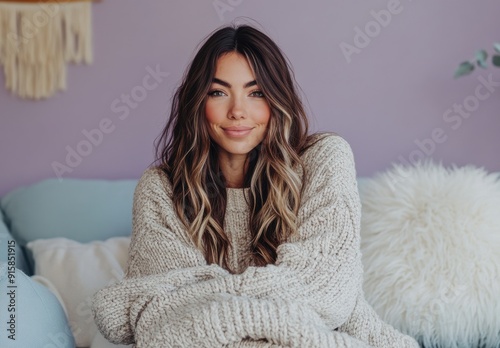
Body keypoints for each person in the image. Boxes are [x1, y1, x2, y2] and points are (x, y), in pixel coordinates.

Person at [91, 23, 420, 348]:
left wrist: (206, 298)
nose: (237, 111)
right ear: (198, 102)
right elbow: (166, 322)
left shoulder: (325, 159)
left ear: (277, 99)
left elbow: (326, 291)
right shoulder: (160, 189)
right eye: (218, 92)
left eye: (256, 92)